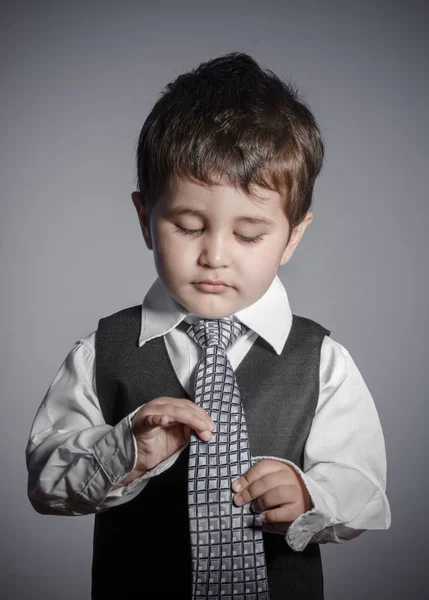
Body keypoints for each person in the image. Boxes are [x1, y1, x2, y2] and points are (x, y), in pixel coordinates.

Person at [26, 52, 391, 599]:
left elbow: (365, 489)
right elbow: (47, 481)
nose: (215, 256)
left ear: (292, 236)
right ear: (145, 218)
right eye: (189, 225)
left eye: (248, 235)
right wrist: (124, 449)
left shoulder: (323, 361)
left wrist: (310, 495)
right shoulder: (102, 351)